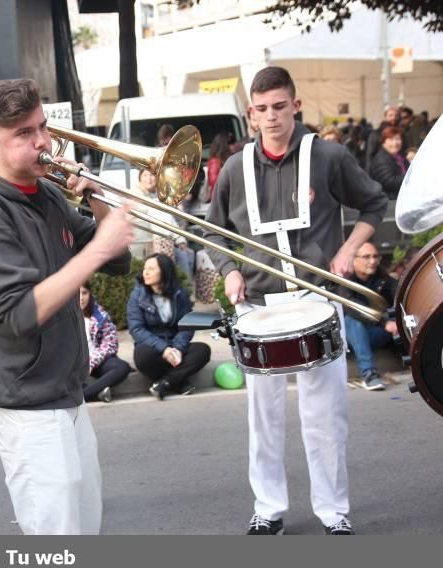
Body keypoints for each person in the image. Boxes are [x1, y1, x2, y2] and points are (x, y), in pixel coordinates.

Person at [205, 66, 387, 536]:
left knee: (325, 416)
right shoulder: (233, 168)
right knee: (262, 418)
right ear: (250, 113)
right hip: (258, 307)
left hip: (319, 300)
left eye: (280, 107)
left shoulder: (329, 156)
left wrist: (348, 249)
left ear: (296, 105)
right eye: (262, 109)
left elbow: (373, 204)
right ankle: (269, 508)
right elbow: (212, 229)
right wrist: (228, 273)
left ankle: (333, 510)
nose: (272, 117)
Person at [0, 78, 133, 535]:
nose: (44, 143)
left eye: (43, 127)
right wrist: (94, 252)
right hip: (25, 398)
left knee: (85, 525)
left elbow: (117, 259)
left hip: (64, 388)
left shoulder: (47, 192)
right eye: (25, 135)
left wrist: (96, 197)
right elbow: (19, 313)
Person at [127, 253, 211, 399]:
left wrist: (177, 348)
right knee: (142, 356)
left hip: (176, 345)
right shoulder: (138, 295)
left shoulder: (180, 294)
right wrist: (164, 349)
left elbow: (188, 324)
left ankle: (165, 383)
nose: (145, 272)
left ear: (164, 271)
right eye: (145, 268)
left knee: (202, 350)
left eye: (151, 269)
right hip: (153, 348)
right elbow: (137, 329)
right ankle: (179, 382)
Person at [344, 242, 399, 391]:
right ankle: (369, 374)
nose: (373, 261)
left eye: (375, 256)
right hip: (349, 337)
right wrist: (384, 322)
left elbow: (400, 294)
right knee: (352, 320)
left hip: (376, 333)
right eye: (366, 257)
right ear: (353, 259)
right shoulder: (343, 280)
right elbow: (351, 307)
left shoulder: (382, 277)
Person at [79, 283, 131, 403]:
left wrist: (91, 362)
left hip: (96, 362)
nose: (81, 298)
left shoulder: (100, 316)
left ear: (90, 294)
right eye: (76, 294)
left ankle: (84, 395)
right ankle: (98, 392)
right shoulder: (62, 317)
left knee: (122, 367)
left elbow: (110, 343)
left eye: (84, 293)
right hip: (73, 365)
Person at [369, 126, 408, 198]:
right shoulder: (380, 159)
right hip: (389, 201)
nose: (395, 143)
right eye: (391, 139)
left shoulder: (401, 157)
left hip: (401, 197)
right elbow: (390, 182)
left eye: (398, 139)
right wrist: (411, 176)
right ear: (383, 142)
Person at [206, 132, 232, 203]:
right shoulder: (215, 162)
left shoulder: (225, 159)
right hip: (220, 198)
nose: (233, 145)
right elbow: (214, 181)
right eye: (230, 143)